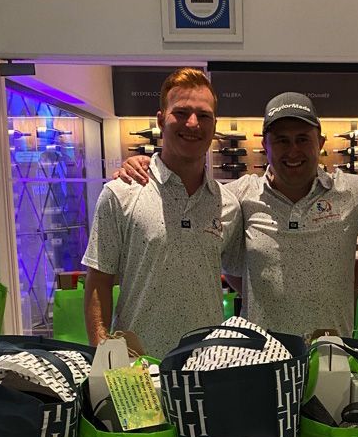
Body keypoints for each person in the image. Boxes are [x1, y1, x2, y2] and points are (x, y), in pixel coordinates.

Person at [116, 91, 358, 338]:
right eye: (281, 140)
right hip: (261, 359)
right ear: (265, 145)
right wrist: (143, 165)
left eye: (302, 139)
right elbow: (230, 267)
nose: (292, 150)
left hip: (334, 356)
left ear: (321, 143)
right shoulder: (238, 197)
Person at [82, 67, 240, 358]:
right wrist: (103, 357)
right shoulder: (120, 193)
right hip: (137, 367)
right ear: (160, 120)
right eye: (181, 113)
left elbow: (241, 275)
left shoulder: (228, 203)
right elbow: (98, 281)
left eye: (203, 115)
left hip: (207, 365)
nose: (192, 123)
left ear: (214, 124)